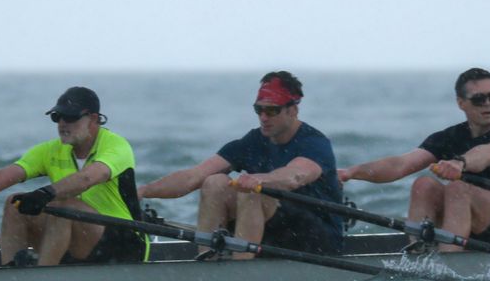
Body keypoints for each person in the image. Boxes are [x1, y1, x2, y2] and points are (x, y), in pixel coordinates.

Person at [0, 87, 148, 267]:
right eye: (57, 117)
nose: (62, 123)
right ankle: (11, 272)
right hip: (80, 238)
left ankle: (42, 279)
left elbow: (87, 178)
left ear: (93, 119)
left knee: (63, 205)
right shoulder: (50, 150)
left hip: (124, 244)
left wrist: (45, 194)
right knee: (15, 204)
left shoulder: (117, 146)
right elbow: (1, 177)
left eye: (70, 117)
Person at [339, 68, 490, 250]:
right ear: (461, 103)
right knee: (423, 185)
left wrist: (461, 162)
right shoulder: (450, 137)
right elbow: (400, 165)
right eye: (479, 99)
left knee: (458, 189)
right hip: (482, 228)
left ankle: (449, 263)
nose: (488, 104)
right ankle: (421, 255)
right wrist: (350, 173)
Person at [138, 71, 343, 258]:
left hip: (316, 241)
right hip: (271, 235)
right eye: (259, 110)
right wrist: (143, 191)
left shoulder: (315, 143)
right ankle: (209, 261)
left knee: (253, 192)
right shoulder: (252, 142)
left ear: (293, 110)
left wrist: (259, 180)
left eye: (272, 110)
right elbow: (193, 176)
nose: (263, 117)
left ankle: (240, 270)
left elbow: (294, 176)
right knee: (214, 183)